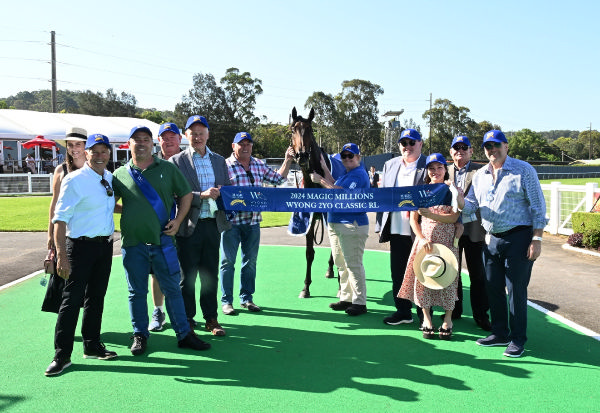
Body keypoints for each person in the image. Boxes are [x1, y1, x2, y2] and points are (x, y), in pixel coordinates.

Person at [112, 125, 210, 356]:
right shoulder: (119, 175)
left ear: (151, 143)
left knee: (173, 290)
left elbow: (186, 195)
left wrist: (177, 221)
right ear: (129, 145)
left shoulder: (167, 168)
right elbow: (108, 203)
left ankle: (184, 334)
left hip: (163, 242)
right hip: (133, 244)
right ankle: (140, 335)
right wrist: (129, 212)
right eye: (137, 139)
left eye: (146, 139)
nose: (142, 143)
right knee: (136, 292)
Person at [458, 130, 547, 358]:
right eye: (488, 146)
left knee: (516, 290)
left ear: (506, 146)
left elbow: (538, 206)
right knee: (492, 287)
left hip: (519, 237)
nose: (492, 150)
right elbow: (470, 207)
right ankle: (499, 333)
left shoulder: (523, 170)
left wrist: (536, 238)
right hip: (491, 238)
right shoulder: (479, 175)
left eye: (496, 145)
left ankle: (518, 339)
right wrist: (457, 198)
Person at [45, 133, 117, 376]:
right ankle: (62, 355)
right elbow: (60, 219)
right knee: (71, 301)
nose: (99, 156)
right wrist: (62, 256)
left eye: (103, 151)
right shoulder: (74, 180)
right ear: (86, 153)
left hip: (105, 247)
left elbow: (109, 204)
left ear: (109, 153)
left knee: (96, 298)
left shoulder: (108, 177)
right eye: (94, 151)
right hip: (79, 248)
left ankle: (92, 345)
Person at [219, 131, 294, 315]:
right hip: (231, 223)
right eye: (241, 144)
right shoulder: (224, 166)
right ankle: (227, 301)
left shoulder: (259, 164)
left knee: (250, 262)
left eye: (248, 144)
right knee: (227, 262)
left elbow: (278, 179)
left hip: (253, 222)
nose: (245, 147)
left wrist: (287, 160)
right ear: (233, 146)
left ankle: (246, 298)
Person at [170, 115, 231, 336]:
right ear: (186, 136)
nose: (197, 137)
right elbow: (174, 193)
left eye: (201, 133)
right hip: (188, 225)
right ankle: (187, 318)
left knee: (209, 275)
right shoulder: (177, 161)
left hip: (212, 225)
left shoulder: (219, 160)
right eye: (193, 133)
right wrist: (201, 195)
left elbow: (228, 188)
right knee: (187, 277)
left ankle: (211, 319)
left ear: (208, 135)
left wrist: (224, 192)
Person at [398, 153, 461, 339]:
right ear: (427, 171)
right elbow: (413, 221)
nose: (435, 171)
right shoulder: (421, 191)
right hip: (425, 242)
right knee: (423, 279)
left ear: (445, 169)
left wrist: (432, 216)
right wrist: (421, 238)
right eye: (431, 168)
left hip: (447, 241)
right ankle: (426, 318)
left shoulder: (451, 191)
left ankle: (448, 319)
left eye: (439, 167)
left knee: (449, 280)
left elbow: (455, 217)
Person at [375, 128, 428, 326]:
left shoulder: (429, 165)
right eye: (403, 143)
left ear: (420, 144)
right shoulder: (389, 165)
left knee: (422, 274)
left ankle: (425, 315)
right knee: (398, 272)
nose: (407, 147)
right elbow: (382, 196)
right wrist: (380, 225)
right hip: (396, 228)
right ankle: (403, 311)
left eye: (411, 142)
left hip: (421, 231)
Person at [310, 143, 370, 316]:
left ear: (358, 157)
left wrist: (319, 180)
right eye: (344, 156)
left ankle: (360, 302)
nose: (347, 159)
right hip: (336, 222)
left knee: (353, 263)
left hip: (352, 223)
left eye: (350, 156)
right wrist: (323, 168)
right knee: (340, 263)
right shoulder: (347, 174)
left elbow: (341, 193)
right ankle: (346, 297)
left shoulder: (359, 174)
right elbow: (335, 184)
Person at [448, 136, 491, 331]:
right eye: (456, 148)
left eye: (464, 147)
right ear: (451, 152)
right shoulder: (443, 170)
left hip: (474, 231)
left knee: (478, 275)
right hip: (450, 230)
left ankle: (481, 315)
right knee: (452, 274)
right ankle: (455, 310)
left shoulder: (481, 172)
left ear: (471, 151)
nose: (460, 150)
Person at [148, 122, 183, 332]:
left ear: (180, 139)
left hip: (186, 225)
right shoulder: (149, 163)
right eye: (164, 137)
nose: (168, 140)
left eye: (173, 137)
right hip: (158, 227)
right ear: (158, 140)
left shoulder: (188, 162)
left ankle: (184, 314)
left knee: (185, 272)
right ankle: (159, 312)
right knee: (157, 273)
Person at [47, 127, 88, 251]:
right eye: (70, 145)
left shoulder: (95, 170)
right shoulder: (61, 170)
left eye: (78, 144)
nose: (74, 148)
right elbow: (55, 203)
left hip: (89, 230)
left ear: (85, 146)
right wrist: (50, 233)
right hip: (65, 231)